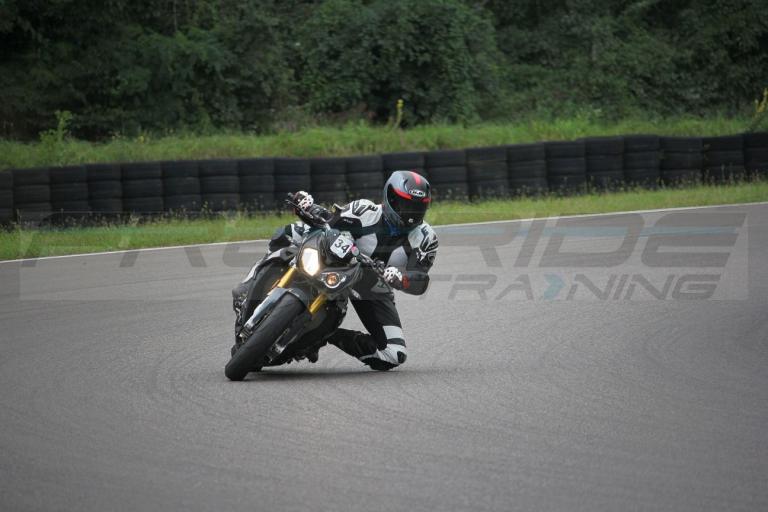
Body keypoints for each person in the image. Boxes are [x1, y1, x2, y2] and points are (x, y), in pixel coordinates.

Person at [268, 170, 438, 371]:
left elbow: (420, 278)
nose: (410, 214)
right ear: (390, 197)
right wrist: (308, 207)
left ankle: (324, 335)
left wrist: (401, 279)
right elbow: (330, 221)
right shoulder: (363, 210)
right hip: (337, 261)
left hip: (372, 286)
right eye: (405, 205)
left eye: (417, 208)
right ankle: (254, 284)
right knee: (290, 232)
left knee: (394, 354)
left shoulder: (425, 238)